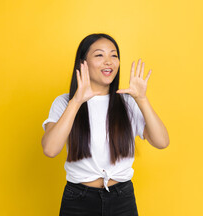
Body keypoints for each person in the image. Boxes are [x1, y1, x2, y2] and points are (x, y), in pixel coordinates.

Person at [41, 33, 170, 216]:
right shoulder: (65, 102)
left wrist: (141, 99)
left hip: (122, 198)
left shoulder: (128, 102)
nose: (108, 61)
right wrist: (77, 101)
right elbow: (50, 149)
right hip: (78, 199)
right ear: (82, 63)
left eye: (114, 55)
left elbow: (162, 141)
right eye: (99, 55)